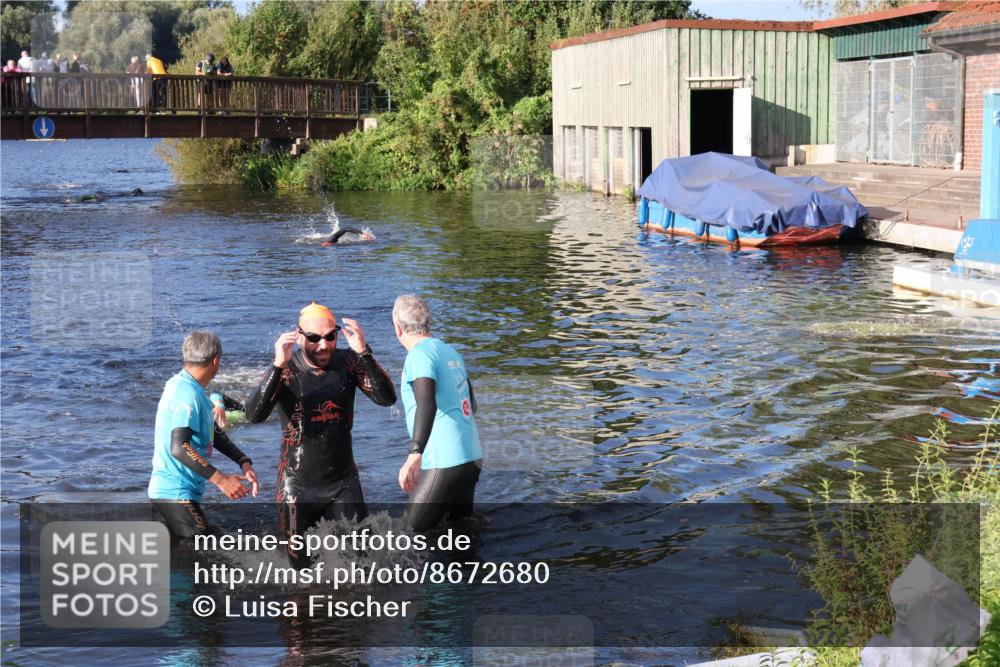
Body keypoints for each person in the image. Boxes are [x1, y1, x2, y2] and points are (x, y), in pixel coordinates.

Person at [244, 302, 397, 567]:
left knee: (365, 564)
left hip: (343, 481)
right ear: (299, 335)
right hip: (297, 486)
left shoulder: (349, 362)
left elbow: (387, 398)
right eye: (314, 338)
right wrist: (277, 365)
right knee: (302, 574)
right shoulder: (287, 369)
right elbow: (253, 415)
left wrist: (364, 352)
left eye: (330, 336)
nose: (324, 345)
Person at [148, 331, 259, 541]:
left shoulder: (188, 387)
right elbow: (179, 447)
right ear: (216, 360)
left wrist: (242, 461)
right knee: (204, 552)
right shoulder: (186, 394)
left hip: (176, 494)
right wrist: (222, 480)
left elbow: (211, 433)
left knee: (194, 551)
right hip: (175, 493)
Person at [392, 295, 483, 531]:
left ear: (397, 327)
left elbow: (427, 403)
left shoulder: (419, 355)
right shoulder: (451, 352)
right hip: (472, 457)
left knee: (409, 535)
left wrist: (415, 453)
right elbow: (471, 405)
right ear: (428, 323)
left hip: (446, 462)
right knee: (460, 533)